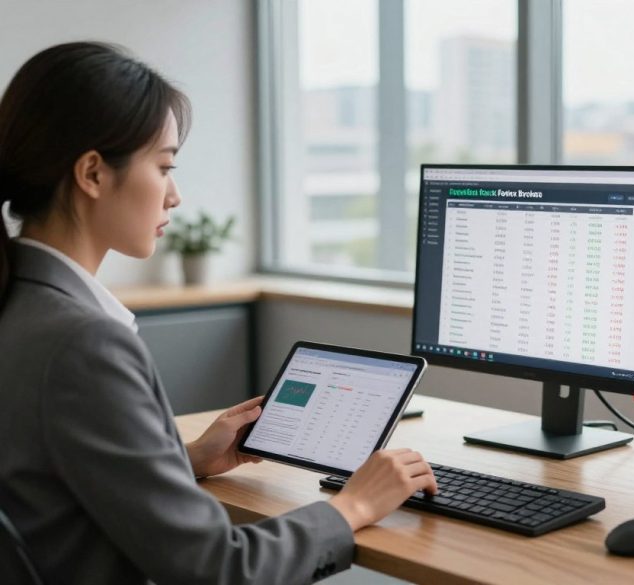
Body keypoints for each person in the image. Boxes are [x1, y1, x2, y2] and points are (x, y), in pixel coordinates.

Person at [0, 42, 437, 585]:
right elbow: (218, 568)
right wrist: (353, 507)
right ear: (92, 173)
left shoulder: (19, 305)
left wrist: (186, 459)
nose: (174, 195)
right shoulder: (83, 342)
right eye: (163, 167)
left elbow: (48, 482)